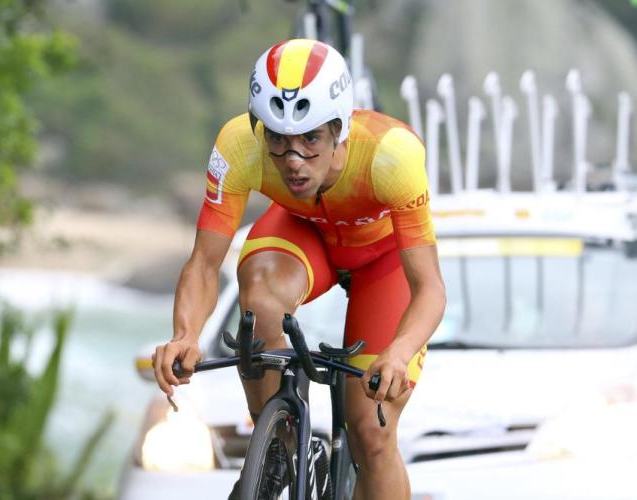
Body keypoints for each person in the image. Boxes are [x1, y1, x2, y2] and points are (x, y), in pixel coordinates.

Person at [153, 38, 446, 500]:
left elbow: (428, 287)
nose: (293, 161)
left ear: (339, 129)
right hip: (306, 235)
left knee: (371, 433)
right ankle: (275, 449)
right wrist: (185, 334)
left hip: (382, 259)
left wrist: (399, 351)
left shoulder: (392, 156)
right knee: (259, 302)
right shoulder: (238, 147)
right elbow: (205, 263)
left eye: (310, 139)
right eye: (277, 139)